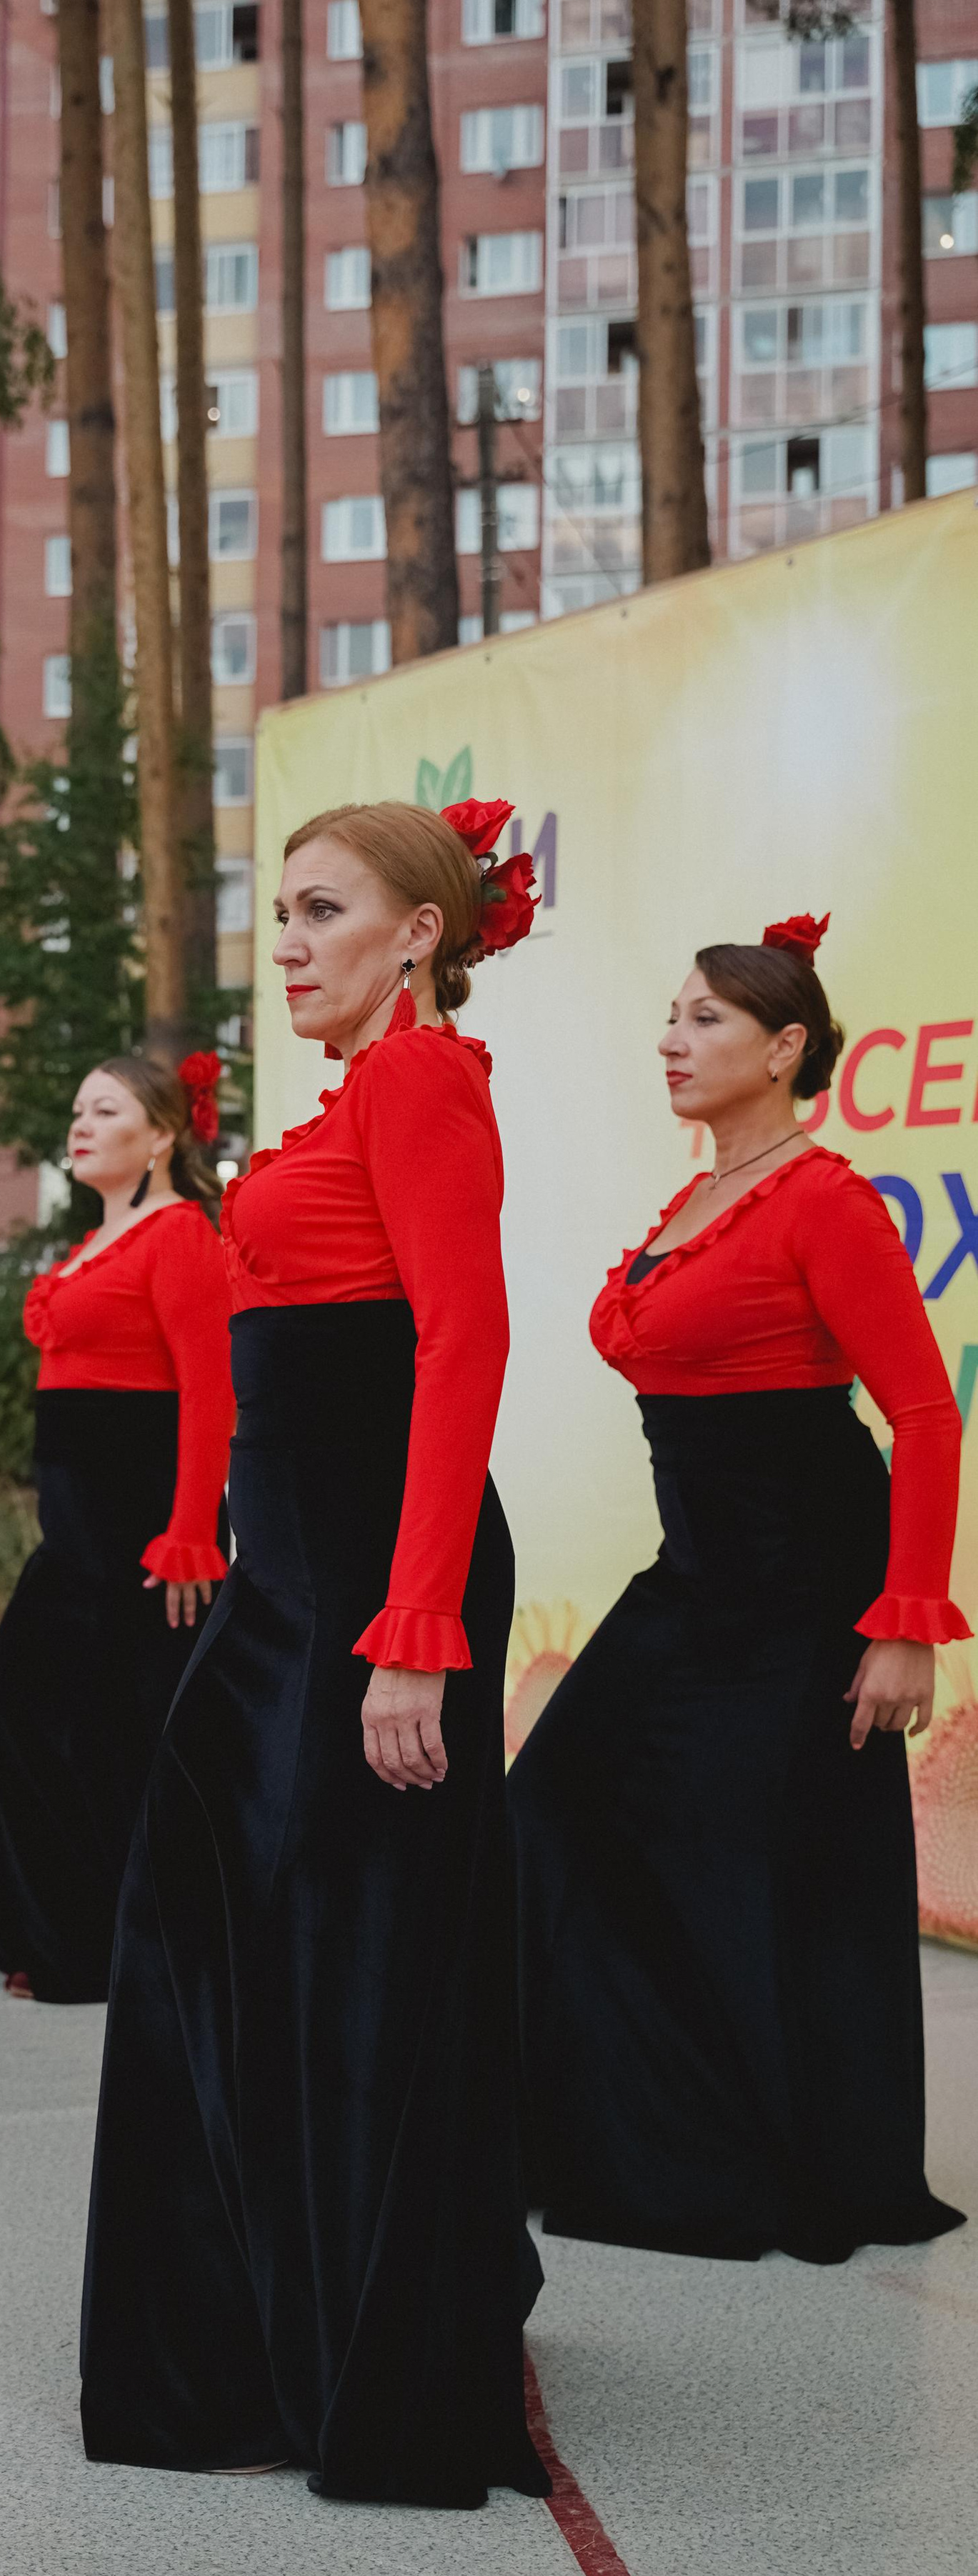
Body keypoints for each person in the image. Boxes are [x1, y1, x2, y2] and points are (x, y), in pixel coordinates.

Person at [79, 797, 549, 2509]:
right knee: (216, 1922)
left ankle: (358, 2345)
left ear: (415, 933)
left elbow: (461, 1341)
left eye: (320, 908)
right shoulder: (344, 1096)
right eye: (277, 909)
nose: (283, 938)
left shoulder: (422, 1079)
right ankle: (259, 2324)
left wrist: (412, 1625)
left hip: (367, 1585)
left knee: (346, 1960)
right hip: (288, 1580)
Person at [508, 917, 968, 2267]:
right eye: (670, 1013)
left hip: (802, 1584)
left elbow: (927, 1418)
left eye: (706, 1019)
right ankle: (620, 2133)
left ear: (786, 1048)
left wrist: (900, 1628)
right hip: (696, 1578)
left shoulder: (824, 1200)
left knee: (747, 1867)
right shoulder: (697, 1201)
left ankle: (746, 2163)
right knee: (555, 1811)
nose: (672, 1038)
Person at [0, 1054, 234, 2003]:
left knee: (114, 1733)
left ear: (162, 1135)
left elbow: (210, 1390)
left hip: (142, 1522)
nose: (80, 1123)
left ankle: (112, 1948)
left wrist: (191, 1533)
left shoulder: (179, 1237)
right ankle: (57, 1933)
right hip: (75, 1530)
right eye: (76, 1107)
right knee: (28, 1710)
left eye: (106, 1109)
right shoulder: (99, 1241)